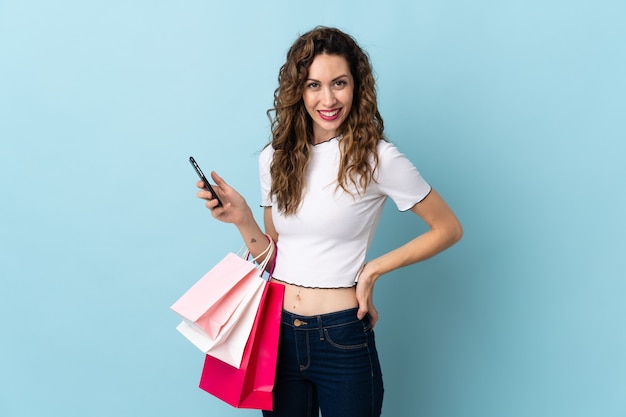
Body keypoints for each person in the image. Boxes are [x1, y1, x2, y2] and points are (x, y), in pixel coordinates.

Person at [196, 26, 463, 417]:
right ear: (297, 91)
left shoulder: (377, 157)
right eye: (313, 85)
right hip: (279, 335)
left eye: (339, 83)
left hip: (342, 336)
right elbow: (275, 256)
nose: (328, 99)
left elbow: (448, 228)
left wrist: (373, 270)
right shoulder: (275, 157)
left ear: (357, 86)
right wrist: (242, 219)